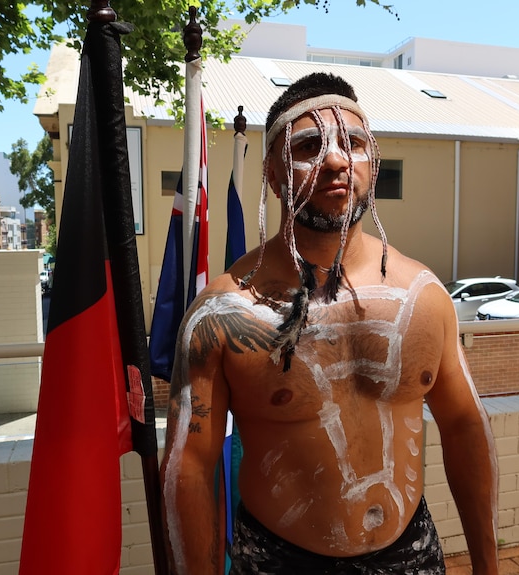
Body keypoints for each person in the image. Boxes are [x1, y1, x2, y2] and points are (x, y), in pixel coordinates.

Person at [160, 72, 498, 574]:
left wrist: (487, 567)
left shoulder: (423, 296)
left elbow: (464, 424)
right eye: (310, 145)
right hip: (279, 559)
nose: (337, 160)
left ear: (374, 163)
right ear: (272, 175)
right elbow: (188, 468)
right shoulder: (222, 315)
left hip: (412, 554)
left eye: (353, 143)